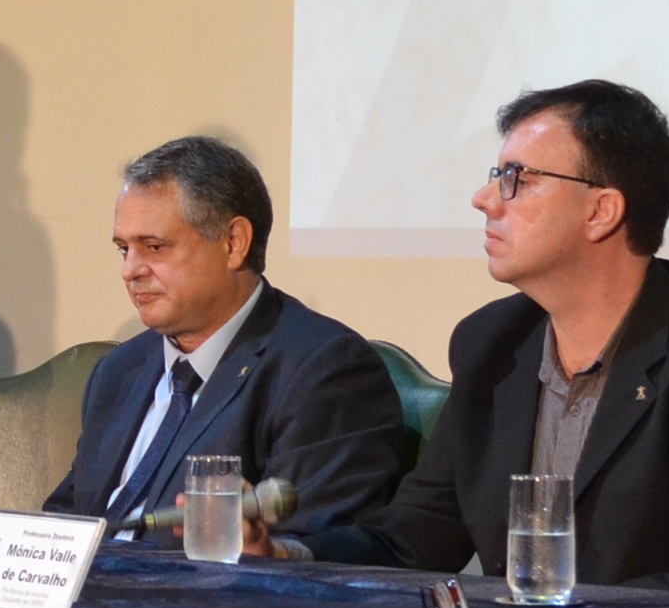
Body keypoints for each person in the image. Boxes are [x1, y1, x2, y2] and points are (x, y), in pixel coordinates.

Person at [278, 81, 669, 597]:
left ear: (601, 211)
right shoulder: (492, 344)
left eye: (518, 179)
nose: (484, 199)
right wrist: (287, 556)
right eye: (497, 176)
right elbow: (413, 538)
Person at [43, 135, 407, 538]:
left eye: (154, 247)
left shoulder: (323, 371)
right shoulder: (118, 370)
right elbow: (67, 520)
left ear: (234, 244)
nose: (130, 270)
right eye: (123, 249)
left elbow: (307, 549)